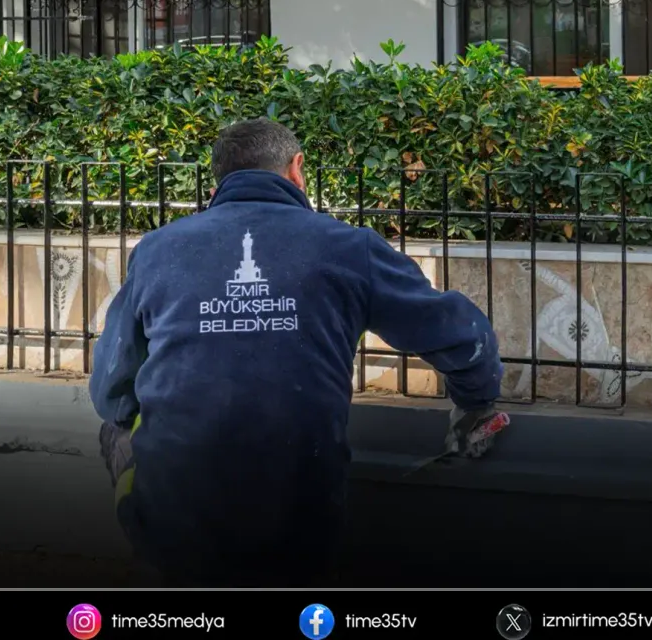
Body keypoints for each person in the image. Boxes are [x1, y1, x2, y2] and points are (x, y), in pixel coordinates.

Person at [90, 118, 504, 587]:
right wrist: (475, 402)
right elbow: (463, 335)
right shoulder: (349, 248)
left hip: (173, 526)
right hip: (302, 525)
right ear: (296, 169)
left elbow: (111, 389)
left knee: (116, 428)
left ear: (218, 180)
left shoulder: (158, 250)